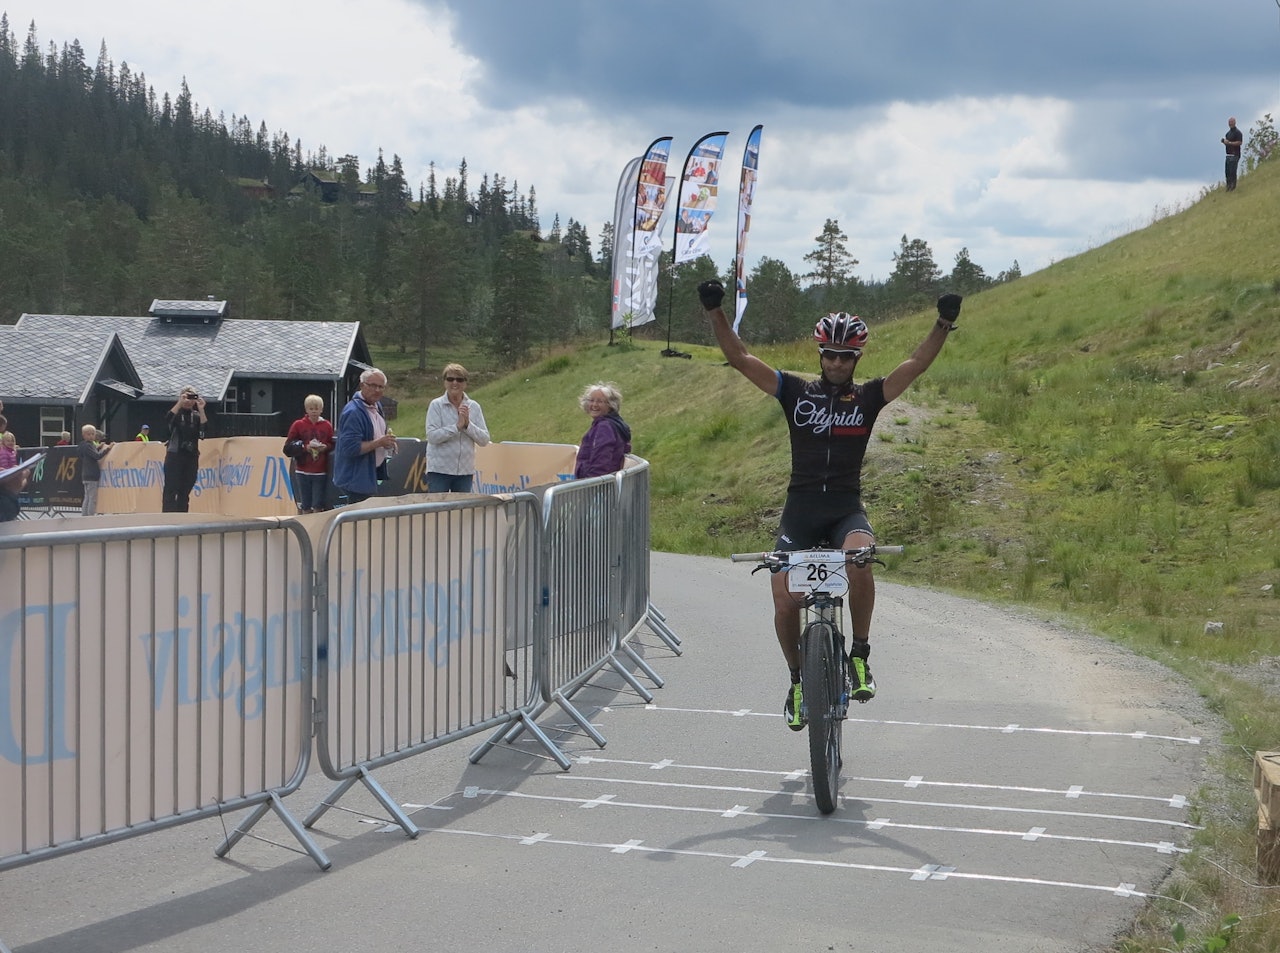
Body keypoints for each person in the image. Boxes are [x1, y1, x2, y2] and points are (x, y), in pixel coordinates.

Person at [697, 277, 964, 730]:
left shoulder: (868, 398)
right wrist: (714, 312)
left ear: (856, 359)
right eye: (830, 355)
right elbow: (740, 359)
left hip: (845, 509)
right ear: (820, 355)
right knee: (785, 603)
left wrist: (943, 322)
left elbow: (916, 364)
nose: (837, 362)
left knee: (860, 560)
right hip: (800, 511)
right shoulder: (795, 392)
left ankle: (859, 654)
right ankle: (799, 682)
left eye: (846, 356)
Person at [334, 368, 398, 504]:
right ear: (362, 385)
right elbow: (350, 448)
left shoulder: (377, 406)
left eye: (381, 387)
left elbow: (376, 435)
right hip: (354, 479)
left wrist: (387, 442)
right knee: (358, 523)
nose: (377, 390)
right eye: (373, 385)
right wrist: (379, 443)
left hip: (368, 476)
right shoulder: (353, 412)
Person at [425, 363, 490, 493]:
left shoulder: (474, 407)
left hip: (465, 472)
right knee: (438, 511)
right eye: (450, 379)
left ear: (465, 383)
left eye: (459, 379)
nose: (455, 383)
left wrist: (467, 426)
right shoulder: (436, 405)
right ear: (444, 382)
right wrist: (456, 427)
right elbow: (432, 436)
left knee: (461, 512)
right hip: (439, 471)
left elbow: (484, 440)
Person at [285, 394, 335, 513]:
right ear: (306, 410)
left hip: (320, 470)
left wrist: (325, 447)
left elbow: (332, 443)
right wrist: (305, 447)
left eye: (316, 409)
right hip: (302, 470)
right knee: (305, 504)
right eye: (311, 409)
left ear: (321, 410)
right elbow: (288, 445)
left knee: (318, 504)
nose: (314, 412)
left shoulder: (327, 426)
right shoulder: (298, 425)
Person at [573, 382, 632, 479]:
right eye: (591, 400)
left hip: (597, 486)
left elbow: (601, 461)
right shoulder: (615, 423)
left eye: (600, 401)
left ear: (610, 405)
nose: (594, 405)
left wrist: (590, 484)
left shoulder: (604, 427)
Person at [162, 387, 206, 513]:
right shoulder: (176, 414)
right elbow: (167, 421)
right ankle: (167, 518)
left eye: (192, 398)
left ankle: (182, 517)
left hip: (191, 455)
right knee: (171, 488)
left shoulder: (196, 416)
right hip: (175, 455)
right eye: (186, 397)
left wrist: (201, 409)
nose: (188, 401)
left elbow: (203, 432)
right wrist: (179, 403)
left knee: (185, 489)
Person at [78, 424, 114, 516]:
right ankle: (90, 517)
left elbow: (88, 454)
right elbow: (97, 456)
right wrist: (108, 449)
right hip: (92, 475)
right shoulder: (89, 446)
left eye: (93, 434)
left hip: (85, 474)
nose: (91, 436)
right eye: (88, 434)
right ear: (84, 435)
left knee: (87, 497)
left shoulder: (82, 445)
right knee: (92, 498)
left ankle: (84, 516)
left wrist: (97, 447)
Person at [1222, 117, 1243, 192]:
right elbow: (1227, 144)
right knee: (1227, 172)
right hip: (1228, 155)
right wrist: (1225, 142)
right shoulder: (1227, 134)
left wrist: (1230, 143)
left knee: (1233, 171)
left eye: (1231, 122)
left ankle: (1233, 187)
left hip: (1235, 155)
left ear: (1235, 122)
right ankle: (1228, 187)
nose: (1230, 123)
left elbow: (1240, 142)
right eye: (1229, 122)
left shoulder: (1238, 132)